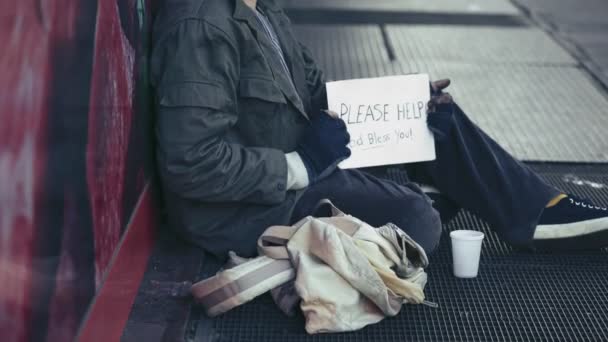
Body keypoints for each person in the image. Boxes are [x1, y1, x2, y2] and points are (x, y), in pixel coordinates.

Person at [149, 0, 608, 257]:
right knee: (417, 220)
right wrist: (302, 163)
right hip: (249, 208)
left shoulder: (262, 9)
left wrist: (401, 104)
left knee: (435, 122)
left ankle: (538, 210)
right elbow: (193, 163)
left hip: (303, 161)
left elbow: (315, 97)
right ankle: (412, 196)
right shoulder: (202, 25)